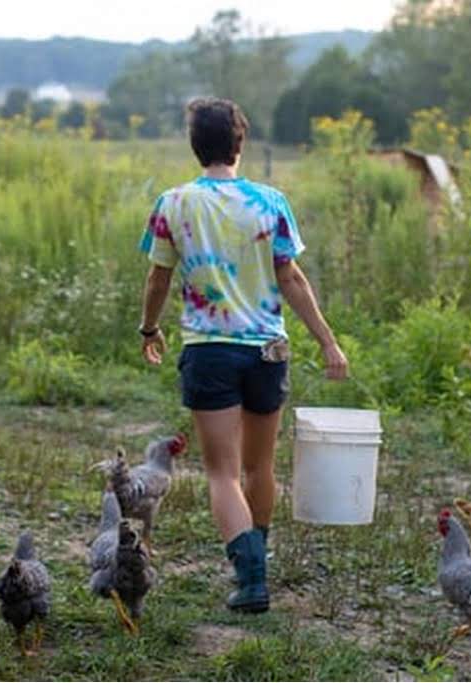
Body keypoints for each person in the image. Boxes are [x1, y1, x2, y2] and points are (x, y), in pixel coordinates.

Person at [137, 97, 348, 613]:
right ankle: (257, 560)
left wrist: (148, 328)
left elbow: (158, 275)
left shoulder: (174, 203)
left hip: (210, 352)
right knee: (259, 469)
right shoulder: (271, 201)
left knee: (221, 474)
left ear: (195, 144)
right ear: (240, 143)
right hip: (269, 352)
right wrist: (327, 341)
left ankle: (252, 578)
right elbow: (291, 277)